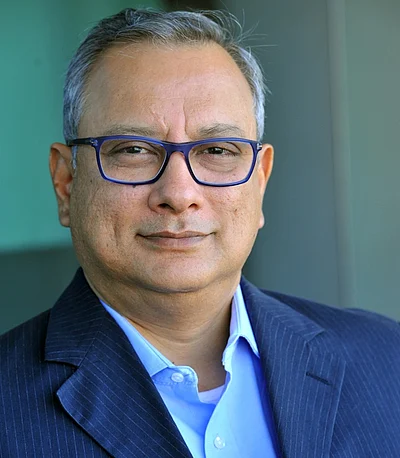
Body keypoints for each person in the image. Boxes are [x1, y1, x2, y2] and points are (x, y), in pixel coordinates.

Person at [1, 8, 399, 458]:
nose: (178, 193)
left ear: (260, 181)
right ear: (66, 183)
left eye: (217, 150)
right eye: (133, 149)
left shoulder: (387, 361)